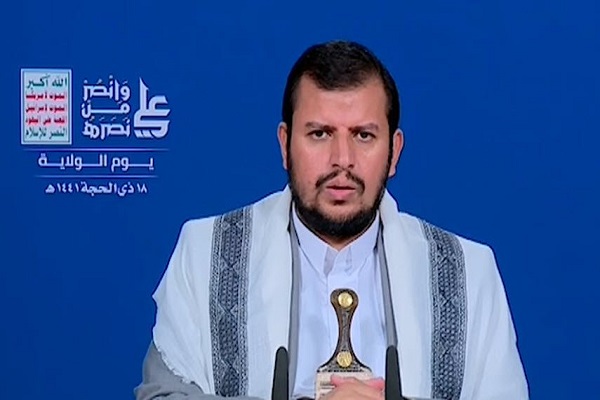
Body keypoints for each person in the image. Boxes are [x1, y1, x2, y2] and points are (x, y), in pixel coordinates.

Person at [134, 40, 529, 400]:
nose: (342, 160)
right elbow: (161, 396)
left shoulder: (467, 271)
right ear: (285, 145)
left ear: (394, 152)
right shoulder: (205, 253)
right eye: (320, 134)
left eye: (363, 136)